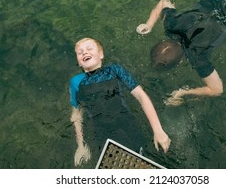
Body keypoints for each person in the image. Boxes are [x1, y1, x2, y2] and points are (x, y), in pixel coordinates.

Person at [69, 37, 171, 167]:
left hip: (126, 124)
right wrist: (81, 145)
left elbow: (141, 95)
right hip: (101, 131)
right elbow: (76, 113)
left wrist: (158, 130)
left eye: (89, 49)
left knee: (140, 160)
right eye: (80, 52)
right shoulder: (76, 82)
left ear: (101, 54)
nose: (84, 52)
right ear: (79, 62)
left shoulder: (115, 70)